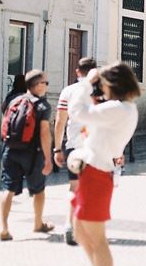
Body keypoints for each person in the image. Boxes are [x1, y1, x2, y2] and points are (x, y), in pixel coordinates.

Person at [67, 62, 140, 266]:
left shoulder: (118, 108)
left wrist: (86, 83)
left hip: (96, 174)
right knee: (80, 231)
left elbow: (77, 111)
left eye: (104, 83)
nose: (103, 87)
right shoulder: (125, 108)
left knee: (97, 239)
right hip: (93, 172)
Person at [0, 69, 54, 242]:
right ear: (37, 85)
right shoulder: (42, 105)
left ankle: (4, 228)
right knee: (39, 190)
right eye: (45, 83)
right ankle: (38, 223)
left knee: (8, 190)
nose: (46, 86)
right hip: (33, 153)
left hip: (10, 150)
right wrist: (48, 158)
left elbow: (5, 121)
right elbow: (45, 133)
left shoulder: (14, 100)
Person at [54, 57, 97, 246]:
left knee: (74, 187)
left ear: (77, 71)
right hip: (96, 148)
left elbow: (60, 122)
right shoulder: (101, 91)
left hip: (74, 147)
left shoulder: (68, 91)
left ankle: (69, 225)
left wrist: (57, 148)